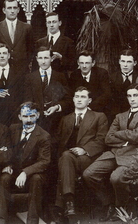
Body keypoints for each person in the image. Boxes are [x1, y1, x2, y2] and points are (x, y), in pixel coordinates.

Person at [83, 84, 138, 221]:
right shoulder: (120, 116)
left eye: (135, 95)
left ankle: (121, 208)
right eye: (129, 96)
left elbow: (137, 136)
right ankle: (108, 202)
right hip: (115, 152)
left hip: (136, 154)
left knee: (116, 178)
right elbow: (108, 138)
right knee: (89, 174)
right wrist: (126, 140)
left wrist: (120, 134)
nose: (132, 99)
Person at [53, 86, 108, 222]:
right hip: (68, 158)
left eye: (83, 97)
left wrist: (85, 149)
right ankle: (69, 204)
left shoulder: (99, 116)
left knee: (65, 159)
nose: (79, 99)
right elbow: (58, 140)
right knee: (65, 157)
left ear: (89, 101)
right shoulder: (65, 119)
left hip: (89, 158)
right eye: (77, 96)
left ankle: (64, 203)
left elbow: (102, 140)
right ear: (72, 99)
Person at [0, 102, 51, 224]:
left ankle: (32, 220)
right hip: (15, 171)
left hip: (33, 173)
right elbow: (8, 150)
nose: (29, 120)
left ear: (37, 115)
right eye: (25, 116)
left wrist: (25, 172)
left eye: (32, 116)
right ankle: (0, 220)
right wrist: (7, 165)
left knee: (36, 179)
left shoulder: (43, 136)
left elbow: (44, 161)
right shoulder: (13, 129)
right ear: (20, 117)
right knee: (4, 178)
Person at [25, 46, 73, 136]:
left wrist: (57, 107)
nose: (43, 61)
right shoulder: (29, 78)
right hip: (37, 121)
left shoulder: (60, 77)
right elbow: (27, 100)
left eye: (46, 58)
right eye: (40, 58)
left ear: (51, 59)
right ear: (36, 59)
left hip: (56, 122)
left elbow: (68, 99)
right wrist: (37, 111)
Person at [0, 0, 33, 74]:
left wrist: (24, 64)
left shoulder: (26, 27)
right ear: (4, 10)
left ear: (18, 10)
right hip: (3, 69)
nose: (12, 11)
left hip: (22, 71)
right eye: (9, 8)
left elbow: (31, 49)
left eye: (14, 8)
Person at [109, 49, 138, 121]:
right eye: (123, 61)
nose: (125, 65)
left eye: (129, 62)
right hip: (116, 113)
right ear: (119, 62)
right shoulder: (111, 77)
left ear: (135, 63)